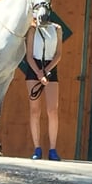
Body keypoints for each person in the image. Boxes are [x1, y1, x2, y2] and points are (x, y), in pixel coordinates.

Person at [24, 19, 63, 160]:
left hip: (50, 67)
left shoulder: (57, 28)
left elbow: (58, 54)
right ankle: (37, 148)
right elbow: (28, 55)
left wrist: (46, 71)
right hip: (34, 67)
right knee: (35, 110)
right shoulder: (32, 29)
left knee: (52, 110)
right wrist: (39, 73)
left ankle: (52, 149)